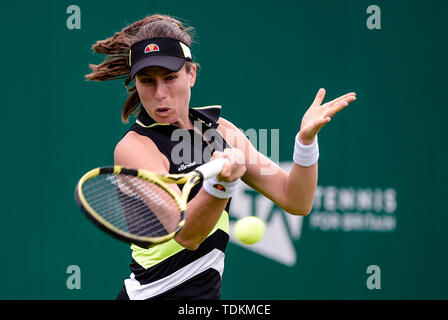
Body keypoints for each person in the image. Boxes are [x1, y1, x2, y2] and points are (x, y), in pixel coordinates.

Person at [85, 14, 356, 300]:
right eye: (146, 80)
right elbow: (187, 236)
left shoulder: (220, 129)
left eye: (170, 77)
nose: (160, 93)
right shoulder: (135, 148)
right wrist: (222, 185)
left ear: (191, 74)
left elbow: (296, 199)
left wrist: (305, 142)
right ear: (135, 82)